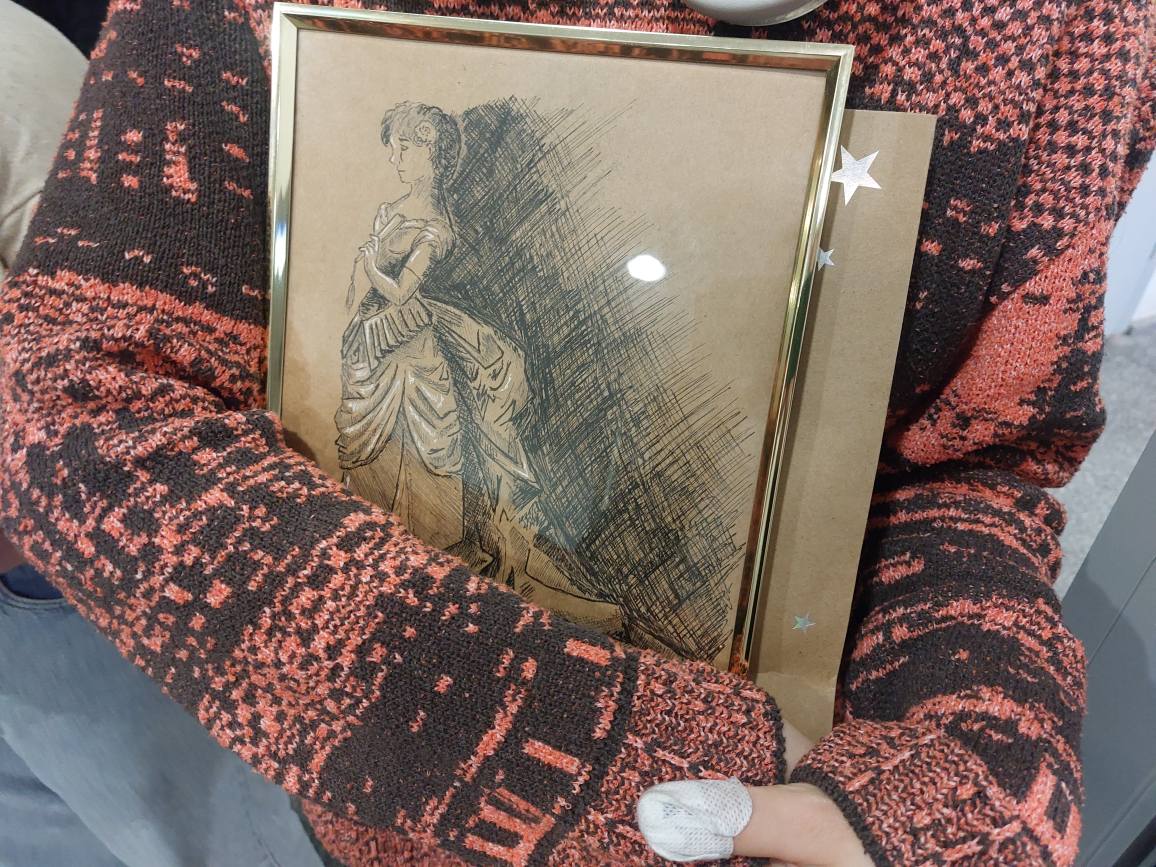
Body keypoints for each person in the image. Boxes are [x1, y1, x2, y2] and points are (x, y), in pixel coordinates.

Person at [0, 2, 1149, 867]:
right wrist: (647, 761)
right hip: (371, 806)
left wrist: (957, 780)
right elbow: (84, 403)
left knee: (489, 393)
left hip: (806, 778)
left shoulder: (1077, 33)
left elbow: (966, 462)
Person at [0, 3, 325, 864]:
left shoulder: (6, 60)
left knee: (226, 833)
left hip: (80, 572)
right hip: (62, 579)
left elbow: (121, 376)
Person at [337, 101, 626, 633]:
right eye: (394, 148)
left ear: (433, 153)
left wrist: (373, 264)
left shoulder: (435, 226)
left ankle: (433, 561)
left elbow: (401, 292)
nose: (395, 157)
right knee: (372, 453)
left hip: (410, 349)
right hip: (374, 344)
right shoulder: (391, 208)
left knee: (425, 446)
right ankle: (379, 559)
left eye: (406, 147)